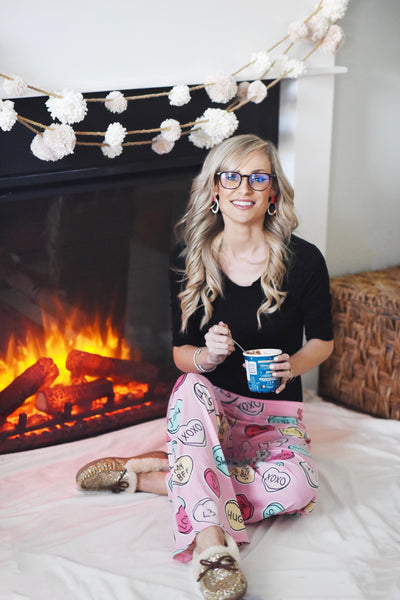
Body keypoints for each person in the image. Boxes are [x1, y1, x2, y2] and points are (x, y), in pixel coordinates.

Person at [76, 134, 334, 600]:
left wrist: (290, 367)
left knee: (299, 491)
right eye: (231, 176)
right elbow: (180, 355)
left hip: (273, 420)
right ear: (214, 189)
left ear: (273, 191)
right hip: (210, 409)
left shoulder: (305, 260)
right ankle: (213, 550)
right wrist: (207, 358)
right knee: (192, 382)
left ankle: (156, 476)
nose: (244, 188)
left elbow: (322, 343)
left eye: (259, 177)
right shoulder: (189, 258)